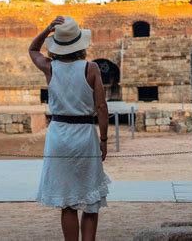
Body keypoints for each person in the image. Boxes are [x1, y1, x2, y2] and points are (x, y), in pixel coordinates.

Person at [28, 16, 110, 241]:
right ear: (79, 44)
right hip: (84, 136)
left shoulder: (49, 67)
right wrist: (104, 139)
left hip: (58, 136)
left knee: (68, 202)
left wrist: (47, 29)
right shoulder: (91, 68)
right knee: (90, 200)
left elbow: (33, 49)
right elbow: (101, 107)